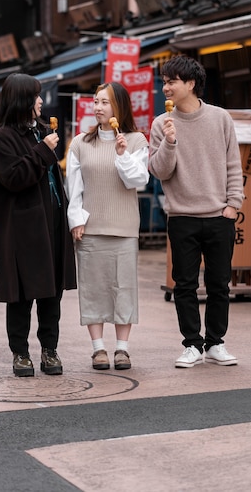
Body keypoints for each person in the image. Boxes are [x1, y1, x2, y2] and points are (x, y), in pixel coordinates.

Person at [149, 55, 244, 368]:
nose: (166, 87)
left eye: (172, 81)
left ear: (190, 84)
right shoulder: (161, 124)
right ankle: (192, 344)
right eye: (164, 81)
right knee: (184, 284)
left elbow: (233, 164)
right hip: (182, 217)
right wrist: (170, 142)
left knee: (219, 284)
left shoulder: (220, 118)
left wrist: (233, 205)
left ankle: (216, 342)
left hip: (219, 216)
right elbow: (160, 172)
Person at [0, 73, 77, 378]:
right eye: (36, 96)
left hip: (50, 222)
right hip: (22, 230)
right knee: (22, 294)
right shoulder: (3, 138)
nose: (41, 101)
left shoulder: (39, 131)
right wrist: (43, 152)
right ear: (22, 100)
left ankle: (50, 350)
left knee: (52, 293)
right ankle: (20, 353)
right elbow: (13, 178)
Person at [66, 82, 149, 371]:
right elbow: (74, 188)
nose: (98, 107)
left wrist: (123, 154)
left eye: (105, 102)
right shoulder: (79, 142)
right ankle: (98, 348)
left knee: (123, 287)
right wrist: (76, 220)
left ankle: (123, 349)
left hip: (124, 228)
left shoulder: (137, 140)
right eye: (96, 101)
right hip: (90, 228)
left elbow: (137, 181)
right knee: (93, 288)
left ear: (119, 108)